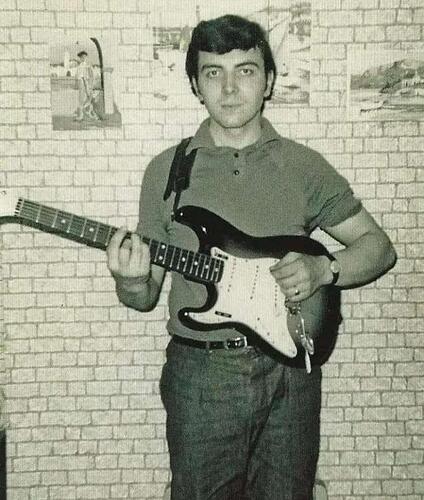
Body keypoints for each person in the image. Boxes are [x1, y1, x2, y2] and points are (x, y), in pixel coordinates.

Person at [106, 15, 396, 500]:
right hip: (200, 379)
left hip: (290, 377)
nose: (230, 88)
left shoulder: (304, 166)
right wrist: (131, 281)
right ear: (196, 85)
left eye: (245, 70)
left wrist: (325, 268)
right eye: (213, 72)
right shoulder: (167, 171)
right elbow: (143, 294)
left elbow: (379, 248)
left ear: (268, 81)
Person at [74, 50, 100, 122]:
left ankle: (89, 114)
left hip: (86, 84)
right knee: (82, 99)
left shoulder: (87, 66)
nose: (83, 58)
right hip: (82, 84)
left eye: (84, 57)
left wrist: (88, 86)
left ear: (86, 57)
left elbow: (89, 76)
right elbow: (79, 77)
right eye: (82, 57)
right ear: (80, 58)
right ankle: (82, 115)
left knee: (88, 98)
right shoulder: (80, 66)